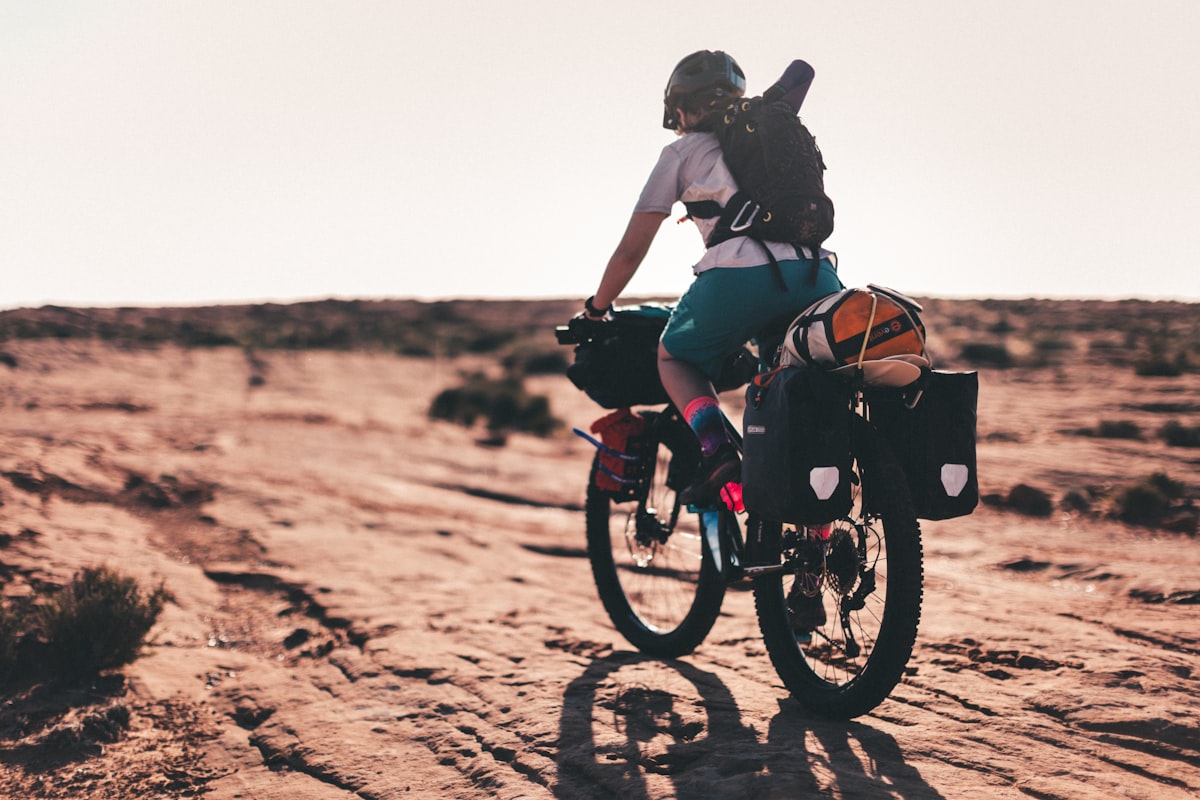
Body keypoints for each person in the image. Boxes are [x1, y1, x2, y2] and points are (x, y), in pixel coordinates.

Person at [579, 50, 843, 507]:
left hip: (739, 277)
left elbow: (631, 249)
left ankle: (718, 452)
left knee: (675, 357)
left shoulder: (681, 152)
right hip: (819, 276)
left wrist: (596, 308)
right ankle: (815, 543)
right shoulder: (765, 132)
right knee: (787, 400)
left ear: (680, 109)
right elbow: (805, 69)